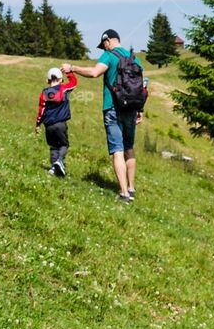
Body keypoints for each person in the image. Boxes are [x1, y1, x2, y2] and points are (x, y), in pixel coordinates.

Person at [74, 29, 146, 204]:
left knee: (117, 150)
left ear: (108, 41)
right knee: (129, 147)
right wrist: (140, 110)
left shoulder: (109, 56)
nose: (103, 48)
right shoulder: (134, 59)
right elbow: (141, 87)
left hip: (112, 108)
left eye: (103, 45)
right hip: (131, 109)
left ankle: (123, 194)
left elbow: (94, 73)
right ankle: (131, 188)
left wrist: (73, 68)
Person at [34, 63, 77, 178]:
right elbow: (74, 83)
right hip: (61, 124)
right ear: (61, 79)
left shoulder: (44, 93)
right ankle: (59, 161)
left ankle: (53, 168)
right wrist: (68, 72)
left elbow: (41, 111)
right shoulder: (64, 89)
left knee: (53, 146)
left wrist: (38, 124)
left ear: (48, 80)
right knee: (64, 144)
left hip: (48, 126)